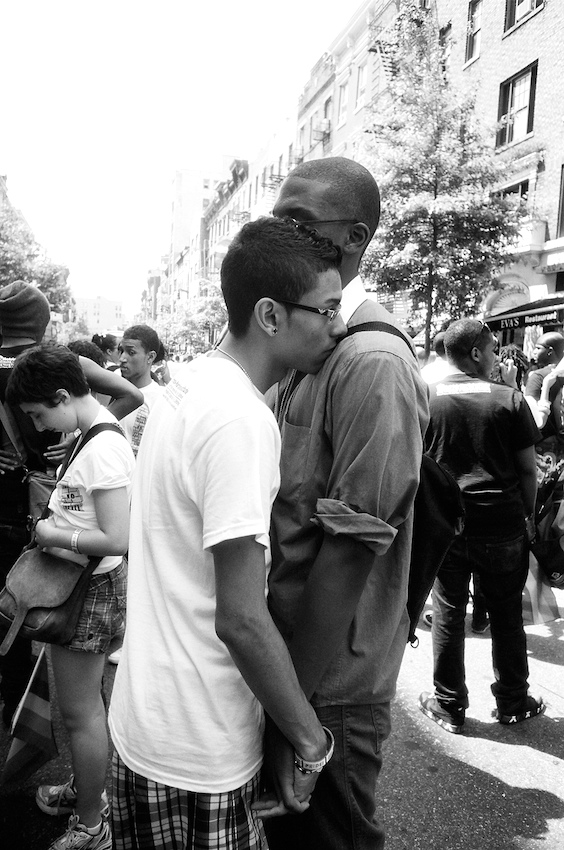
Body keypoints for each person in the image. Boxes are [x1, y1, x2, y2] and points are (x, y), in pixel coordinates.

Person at [108, 216, 346, 850]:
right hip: (200, 748)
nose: (338, 327)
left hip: (143, 720)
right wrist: (311, 741)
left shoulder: (184, 384)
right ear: (270, 315)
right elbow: (240, 618)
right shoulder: (239, 419)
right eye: (326, 310)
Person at [262, 157, 429, 849]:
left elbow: (351, 549)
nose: (280, 234)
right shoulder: (313, 340)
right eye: (275, 219)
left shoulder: (371, 361)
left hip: (329, 684)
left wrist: (293, 711)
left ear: (355, 237)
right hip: (295, 666)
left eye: (298, 222)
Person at [7, 343, 135, 850]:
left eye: (39, 414)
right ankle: (86, 794)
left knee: (81, 715)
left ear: (62, 396)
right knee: (86, 709)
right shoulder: (89, 433)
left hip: (90, 587)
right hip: (87, 584)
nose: (38, 426)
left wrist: (53, 534)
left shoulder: (102, 447)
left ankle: (91, 825)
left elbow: (118, 537)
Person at [419, 319, 544, 736]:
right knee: (507, 615)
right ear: (475, 353)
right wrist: (526, 517)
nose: (496, 358)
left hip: (447, 526)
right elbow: (528, 472)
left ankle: (449, 704)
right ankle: (513, 701)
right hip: (502, 523)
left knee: (449, 613)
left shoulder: (426, 396)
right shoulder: (509, 399)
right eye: (492, 350)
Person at [0, 281, 54, 727]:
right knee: (21, 601)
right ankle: (19, 705)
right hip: (40, 502)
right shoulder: (49, 365)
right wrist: (76, 441)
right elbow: (128, 396)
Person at [117, 324, 164, 457]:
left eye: (131, 352)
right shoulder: (111, 390)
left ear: (150, 357)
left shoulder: (160, 399)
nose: (122, 359)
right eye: (121, 351)